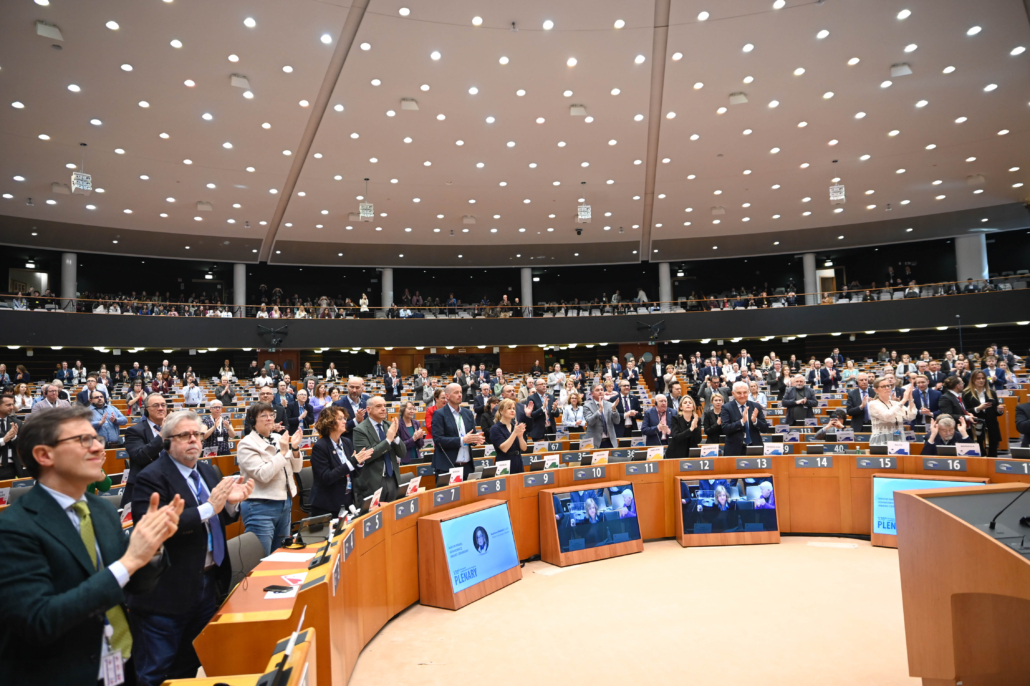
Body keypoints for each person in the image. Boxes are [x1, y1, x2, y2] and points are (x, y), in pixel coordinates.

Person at [0, 406, 181, 685]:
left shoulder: (102, 510)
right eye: (83, 440)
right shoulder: (13, 527)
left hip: (120, 666)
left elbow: (133, 585)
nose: (99, 448)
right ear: (44, 455)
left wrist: (151, 548)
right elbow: (39, 621)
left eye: (97, 439)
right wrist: (129, 562)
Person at [129, 410, 254, 686]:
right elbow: (153, 526)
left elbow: (219, 517)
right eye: (184, 435)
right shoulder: (151, 476)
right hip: (166, 590)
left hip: (207, 583)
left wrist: (231, 504)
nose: (193, 440)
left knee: (191, 663)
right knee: (154, 671)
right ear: (167, 441)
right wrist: (210, 507)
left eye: (196, 434)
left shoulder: (207, 470)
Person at [236, 402, 304, 555]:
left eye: (271, 415)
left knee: (280, 555)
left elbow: (296, 468)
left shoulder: (277, 437)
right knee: (262, 557)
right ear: (253, 420)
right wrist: (282, 452)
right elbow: (263, 475)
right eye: (263, 415)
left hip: (284, 502)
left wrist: (294, 448)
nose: (269, 418)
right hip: (260, 506)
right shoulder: (245, 444)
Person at [309, 406, 372, 517]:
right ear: (329, 422)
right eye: (340, 419)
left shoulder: (346, 442)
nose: (345, 421)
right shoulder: (320, 447)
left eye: (344, 418)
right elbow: (326, 478)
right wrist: (352, 462)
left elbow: (352, 473)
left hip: (347, 500)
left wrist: (359, 463)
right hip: (327, 504)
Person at [352, 396, 406, 503]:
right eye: (378, 406)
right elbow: (367, 457)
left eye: (384, 406)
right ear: (368, 409)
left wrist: (395, 437)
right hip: (373, 483)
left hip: (392, 479)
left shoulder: (389, 425)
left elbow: (402, 453)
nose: (383, 409)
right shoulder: (360, 430)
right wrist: (388, 440)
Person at [432, 383, 484, 478]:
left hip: (467, 466)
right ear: (447, 396)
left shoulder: (468, 413)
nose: (460, 395)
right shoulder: (439, 414)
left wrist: (475, 439)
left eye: (460, 392)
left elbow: (471, 436)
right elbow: (438, 440)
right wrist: (462, 440)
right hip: (448, 466)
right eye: (456, 392)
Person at [964, 370, 1004, 457]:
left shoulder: (991, 393)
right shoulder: (966, 394)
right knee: (978, 452)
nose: (981, 380)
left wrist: (999, 411)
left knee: (992, 453)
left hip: (991, 425)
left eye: (983, 378)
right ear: (973, 380)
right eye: (978, 378)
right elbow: (965, 411)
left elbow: (995, 411)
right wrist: (978, 408)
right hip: (975, 426)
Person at [721, 382, 768, 456]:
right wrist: (741, 422)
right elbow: (725, 429)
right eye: (739, 393)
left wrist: (755, 421)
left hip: (754, 447)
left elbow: (765, 429)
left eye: (745, 392)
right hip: (734, 449)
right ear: (733, 393)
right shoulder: (726, 407)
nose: (742, 395)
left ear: (748, 392)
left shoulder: (756, 406)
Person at [868, 376, 917, 445]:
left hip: (899, 440)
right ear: (876, 390)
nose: (887, 388)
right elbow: (887, 416)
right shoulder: (873, 404)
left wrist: (910, 398)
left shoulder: (895, 403)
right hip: (881, 441)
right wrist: (903, 400)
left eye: (888, 386)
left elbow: (910, 416)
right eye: (883, 386)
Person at [490, 398, 528, 474]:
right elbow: (504, 448)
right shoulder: (495, 428)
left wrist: (520, 436)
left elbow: (524, 448)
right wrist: (514, 433)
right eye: (509, 408)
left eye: (513, 408)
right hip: (504, 463)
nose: (512, 410)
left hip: (518, 461)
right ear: (501, 411)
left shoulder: (515, 426)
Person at [582, 384, 621, 449]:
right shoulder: (587, 406)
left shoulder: (610, 404)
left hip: (610, 441)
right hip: (594, 442)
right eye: (597, 390)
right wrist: (600, 410)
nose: (600, 391)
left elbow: (617, 422)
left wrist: (614, 410)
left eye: (602, 390)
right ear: (592, 393)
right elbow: (590, 422)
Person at [0, 393, 26, 479]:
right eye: (8, 405)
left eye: (12, 404)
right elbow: (4, 439)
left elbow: (22, 445)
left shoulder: (17, 423)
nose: (12, 407)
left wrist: (13, 437)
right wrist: (3, 440)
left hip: (12, 467)